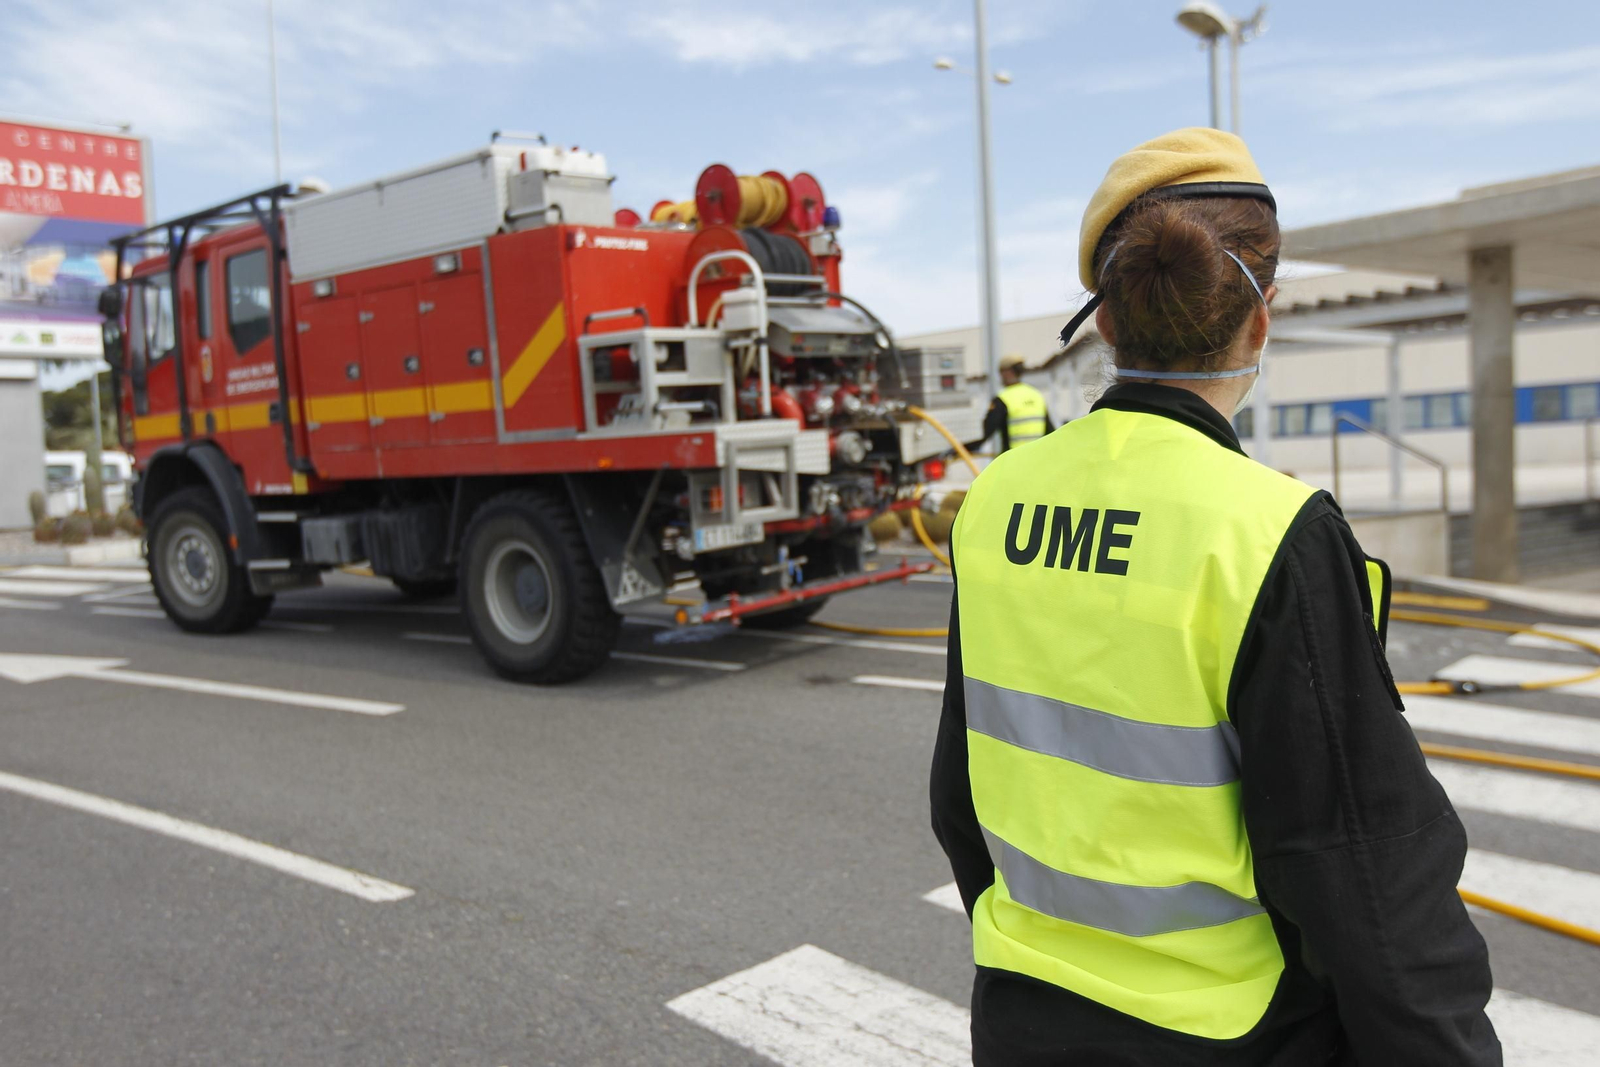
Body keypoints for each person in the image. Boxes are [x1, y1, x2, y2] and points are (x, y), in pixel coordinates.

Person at [930, 127, 1499, 1066]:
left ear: (1106, 321)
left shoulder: (994, 503)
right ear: (1261, 316)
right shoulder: (1270, 530)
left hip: (1025, 1020)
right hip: (1230, 1039)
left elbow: (962, 800)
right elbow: (1363, 869)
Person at [981, 354, 1054, 451]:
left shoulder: (1003, 398)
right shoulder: (1036, 395)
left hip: (1014, 459)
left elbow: (987, 430)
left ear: (1007, 373)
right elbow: (1050, 430)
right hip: (1037, 456)